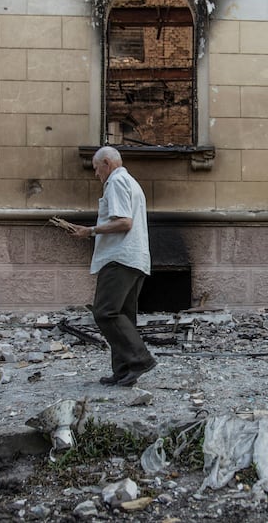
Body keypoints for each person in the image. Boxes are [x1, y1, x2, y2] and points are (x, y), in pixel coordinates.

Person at [65, 146, 156, 387]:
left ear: (107, 163)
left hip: (119, 258)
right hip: (136, 258)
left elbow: (124, 222)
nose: (96, 174)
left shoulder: (115, 182)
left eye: (96, 169)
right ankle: (124, 371)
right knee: (123, 315)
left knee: (105, 312)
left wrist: (90, 231)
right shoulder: (131, 182)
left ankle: (140, 359)